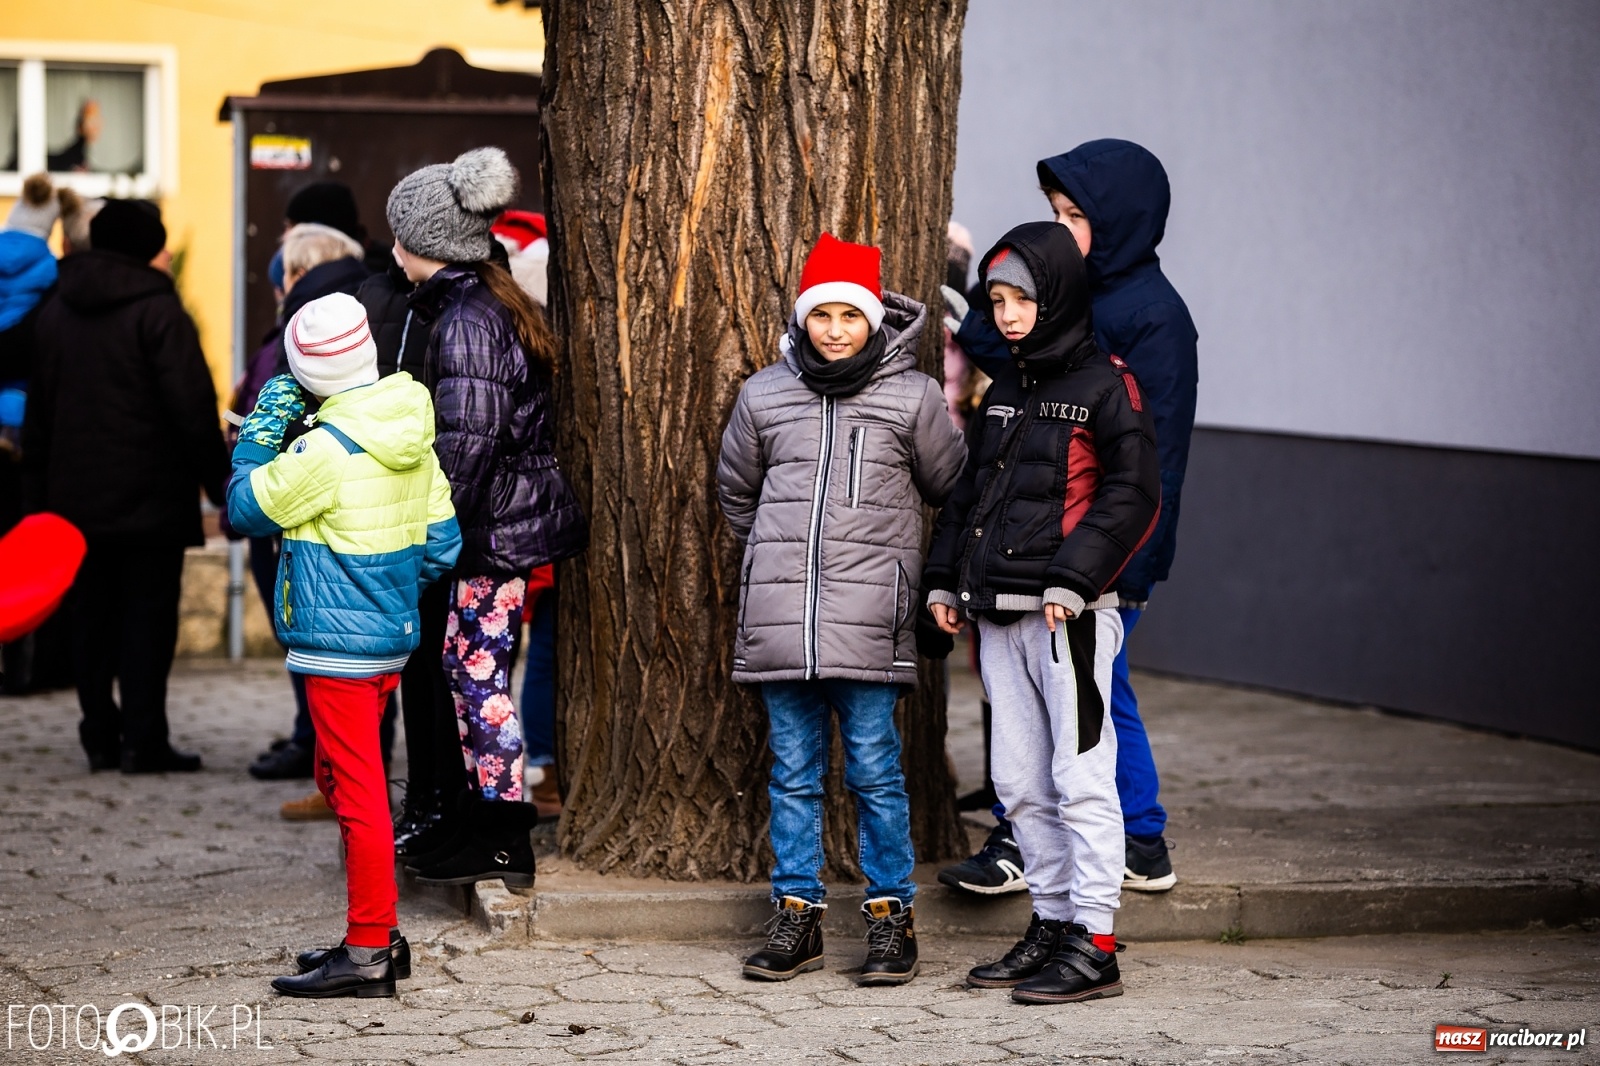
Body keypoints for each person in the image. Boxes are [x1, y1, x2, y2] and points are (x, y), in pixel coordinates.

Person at [940, 139, 1197, 896]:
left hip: (1103, 550)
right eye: (1055, 212)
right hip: (1038, 540)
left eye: (1076, 216)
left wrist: (1123, 562)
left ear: (1120, 222)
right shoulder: (1073, 293)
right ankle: (1088, 832)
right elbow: (1019, 354)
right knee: (1060, 690)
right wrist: (970, 302)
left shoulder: (1154, 320)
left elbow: (1153, 462)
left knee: (1090, 692)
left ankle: (1122, 841)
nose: (1062, 228)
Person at [717, 233, 967, 986]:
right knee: (792, 774)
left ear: (873, 321)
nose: (833, 329)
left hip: (872, 622)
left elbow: (949, 488)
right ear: (802, 320)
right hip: (783, 622)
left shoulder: (913, 396)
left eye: (848, 316)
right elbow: (738, 493)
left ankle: (892, 918)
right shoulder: (765, 393)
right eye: (820, 314)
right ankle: (797, 916)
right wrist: (773, 560)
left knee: (875, 773)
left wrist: (918, 583)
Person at [926, 221, 1160, 1004]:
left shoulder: (1108, 385)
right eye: (997, 299)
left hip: (1072, 618)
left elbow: (1133, 496)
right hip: (998, 616)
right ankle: (1054, 924)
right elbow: (969, 498)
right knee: (1020, 781)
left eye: (1022, 296)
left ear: (1057, 293)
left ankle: (1095, 943)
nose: (1010, 312)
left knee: (1082, 779)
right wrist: (942, 580)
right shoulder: (1007, 391)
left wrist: (1074, 578)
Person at [228, 292, 460, 999]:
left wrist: (258, 436)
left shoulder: (322, 451)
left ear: (307, 376)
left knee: (355, 798)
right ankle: (379, 929)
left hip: (336, 650)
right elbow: (443, 543)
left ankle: (367, 950)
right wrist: (386, 591)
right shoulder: (409, 432)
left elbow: (243, 506)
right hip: (387, 642)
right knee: (339, 776)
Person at [386, 147, 588, 888]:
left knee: (476, 678)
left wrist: (434, 533)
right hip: (491, 527)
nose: (394, 249)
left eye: (401, 235)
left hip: (488, 533)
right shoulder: (475, 303)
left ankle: (505, 836)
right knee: (468, 673)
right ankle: (484, 821)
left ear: (427, 243)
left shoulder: (468, 319)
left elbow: (465, 442)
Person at [23, 199, 229, 772]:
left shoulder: (55, 312)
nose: (167, 253)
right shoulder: (159, 313)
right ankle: (143, 740)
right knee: (147, 620)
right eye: (160, 243)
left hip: (73, 505)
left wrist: (36, 503)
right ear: (144, 247)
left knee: (88, 620)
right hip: (150, 502)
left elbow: (39, 414)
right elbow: (191, 408)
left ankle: (98, 735)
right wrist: (220, 486)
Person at [242, 222, 383, 793]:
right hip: (388, 611)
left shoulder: (307, 332)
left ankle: (331, 774)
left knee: (353, 766)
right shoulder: (369, 310)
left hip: (314, 548)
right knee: (366, 717)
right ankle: (340, 770)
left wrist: (252, 448)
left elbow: (249, 507)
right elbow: (441, 537)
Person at [490, 209, 560, 819]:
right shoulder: (536, 343)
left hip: (518, 521)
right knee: (539, 649)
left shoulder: (507, 335)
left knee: (528, 650)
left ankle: (535, 765)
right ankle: (540, 765)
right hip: (533, 524)